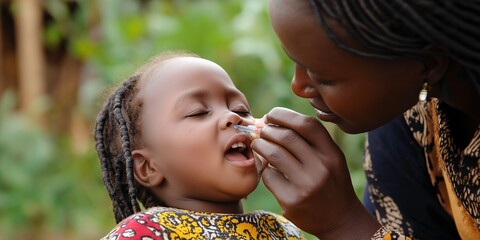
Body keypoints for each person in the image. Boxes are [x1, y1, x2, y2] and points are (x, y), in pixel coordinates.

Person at [250, 0, 480, 239]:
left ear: (429, 64)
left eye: (323, 77)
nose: (298, 86)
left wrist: (343, 224)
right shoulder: (409, 116)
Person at [94, 52, 303, 239]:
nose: (232, 116)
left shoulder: (283, 230)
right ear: (148, 167)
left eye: (241, 109)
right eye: (198, 112)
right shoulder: (143, 232)